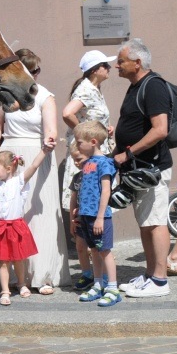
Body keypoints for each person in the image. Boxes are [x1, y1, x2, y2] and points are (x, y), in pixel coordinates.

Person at [0, 48, 69, 293]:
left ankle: (43, 275)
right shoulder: (7, 96)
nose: (33, 76)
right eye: (29, 71)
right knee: (13, 213)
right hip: (11, 152)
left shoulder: (45, 96)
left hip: (36, 153)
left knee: (38, 213)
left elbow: (51, 128)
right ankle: (13, 276)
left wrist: (51, 139)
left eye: (34, 72)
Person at [111, 38, 172, 297]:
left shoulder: (153, 86)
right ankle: (150, 274)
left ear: (137, 63)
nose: (116, 66)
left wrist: (128, 153)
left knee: (156, 222)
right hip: (139, 171)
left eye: (121, 61)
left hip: (152, 169)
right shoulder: (136, 86)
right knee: (146, 222)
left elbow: (160, 130)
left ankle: (160, 280)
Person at [0, 147, 52, 306]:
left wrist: (44, 151)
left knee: (19, 259)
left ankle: (21, 284)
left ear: (8, 168)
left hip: (16, 226)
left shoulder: (18, 182)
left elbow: (33, 166)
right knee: (3, 261)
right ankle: (5, 290)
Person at [70, 121, 121, 307]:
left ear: (92, 141)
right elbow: (86, 189)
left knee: (105, 251)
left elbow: (105, 191)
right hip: (86, 215)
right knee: (94, 250)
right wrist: (80, 209)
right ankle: (98, 283)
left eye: (79, 141)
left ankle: (113, 288)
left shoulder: (104, 164)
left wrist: (100, 217)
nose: (77, 144)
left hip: (100, 217)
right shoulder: (87, 163)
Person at [61, 50, 116, 212]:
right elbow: (67, 113)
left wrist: (105, 128)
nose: (109, 68)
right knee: (87, 199)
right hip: (87, 151)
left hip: (97, 150)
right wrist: (85, 132)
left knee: (97, 198)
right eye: (105, 66)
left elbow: (93, 115)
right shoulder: (86, 89)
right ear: (94, 70)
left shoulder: (95, 88)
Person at [65, 141, 94, 290]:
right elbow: (73, 198)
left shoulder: (96, 175)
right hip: (79, 219)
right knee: (81, 247)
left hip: (94, 219)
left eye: (79, 159)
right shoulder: (77, 177)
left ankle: (104, 276)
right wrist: (71, 220)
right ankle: (87, 274)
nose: (76, 163)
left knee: (98, 249)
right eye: (74, 160)